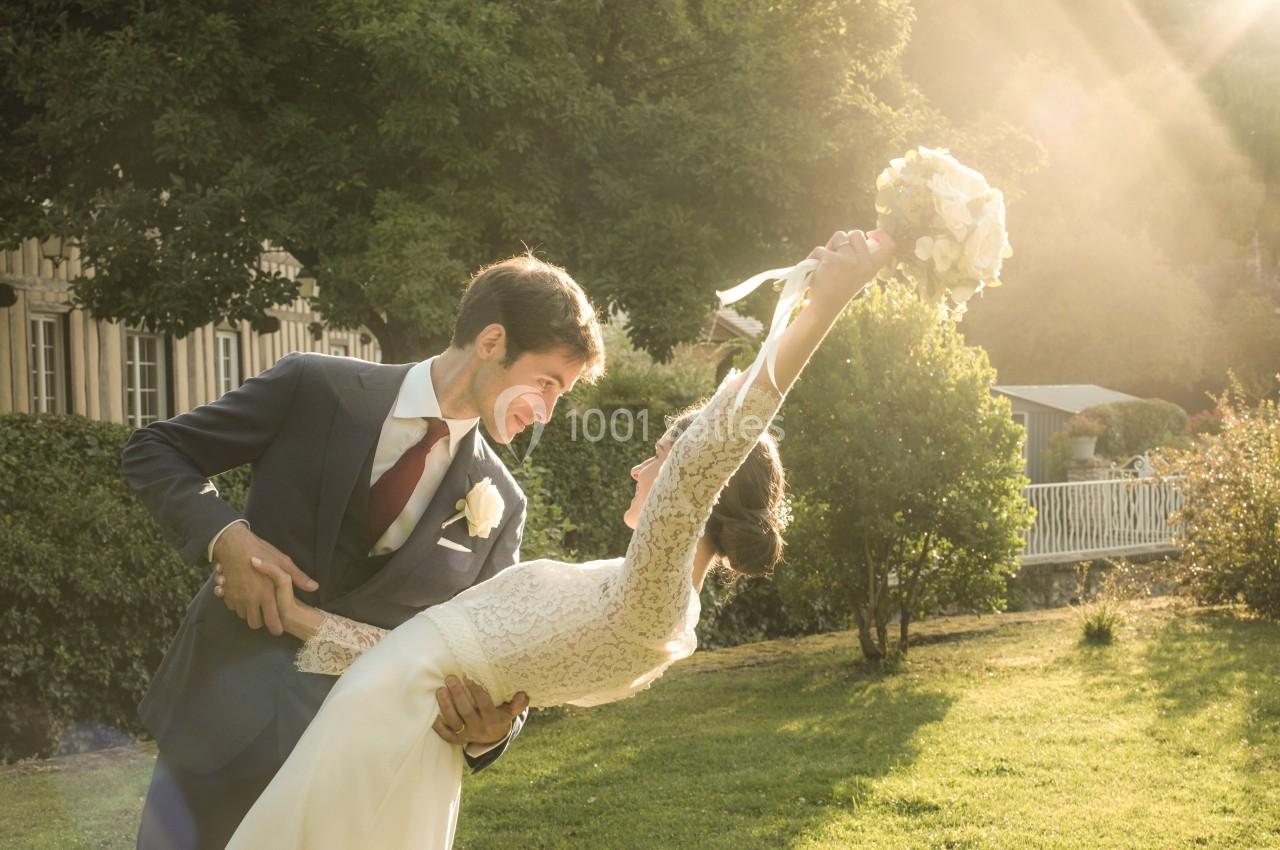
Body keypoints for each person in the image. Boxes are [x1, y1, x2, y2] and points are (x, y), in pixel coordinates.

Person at [223, 229, 894, 849]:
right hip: (390, 719)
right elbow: (434, 660)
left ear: (697, 488)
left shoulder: (655, 599)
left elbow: (716, 443)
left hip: (388, 730)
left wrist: (826, 303)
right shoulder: (644, 602)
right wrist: (301, 619)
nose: (641, 468)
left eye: (658, 456)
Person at [122, 254, 605, 850]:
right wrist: (229, 540)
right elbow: (156, 450)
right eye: (548, 383)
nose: (547, 411)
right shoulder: (315, 387)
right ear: (492, 341)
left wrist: (491, 729)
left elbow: (493, 653)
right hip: (220, 722)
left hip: (353, 761)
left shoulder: (502, 504)